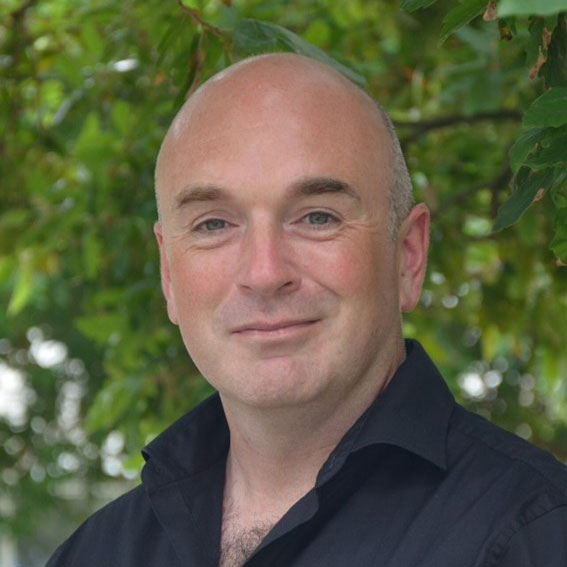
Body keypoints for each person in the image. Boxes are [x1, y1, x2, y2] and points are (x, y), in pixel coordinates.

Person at [46, 53, 567, 567]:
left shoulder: (536, 534)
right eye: (213, 224)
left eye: (317, 217)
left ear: (408, 256)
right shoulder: (94, 555)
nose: (265, 273)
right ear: (168, 273)